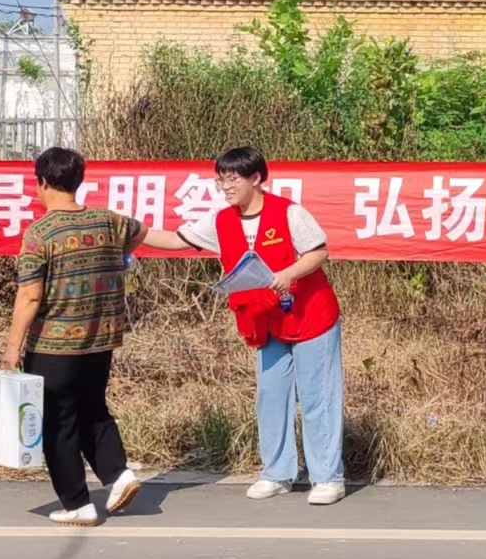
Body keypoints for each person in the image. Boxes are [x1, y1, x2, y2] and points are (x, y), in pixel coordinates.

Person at [142, 145, 345, 506]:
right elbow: (175, 240)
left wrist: (288, 273)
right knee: (271, 396)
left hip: (310, 316)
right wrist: (129, 231)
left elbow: (319, 251)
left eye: (232, 179)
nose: (226, 186)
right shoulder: (221, 220)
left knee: (317, 397)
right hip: (265, 320)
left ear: (256, 178)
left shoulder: (289, 212)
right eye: (221, 180)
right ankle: (277, 473)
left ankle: (328, 477)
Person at [0, 147, 145, 527]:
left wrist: (13, 347)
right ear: (78, 181)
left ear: (42, 182)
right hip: (100, 340)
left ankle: (78, 503)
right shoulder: (107, 221)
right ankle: (119, 475)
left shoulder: (40, 233)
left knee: (59, 423)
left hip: (54, 345)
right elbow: (140, 231)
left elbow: (30, 296)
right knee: (93, 409)